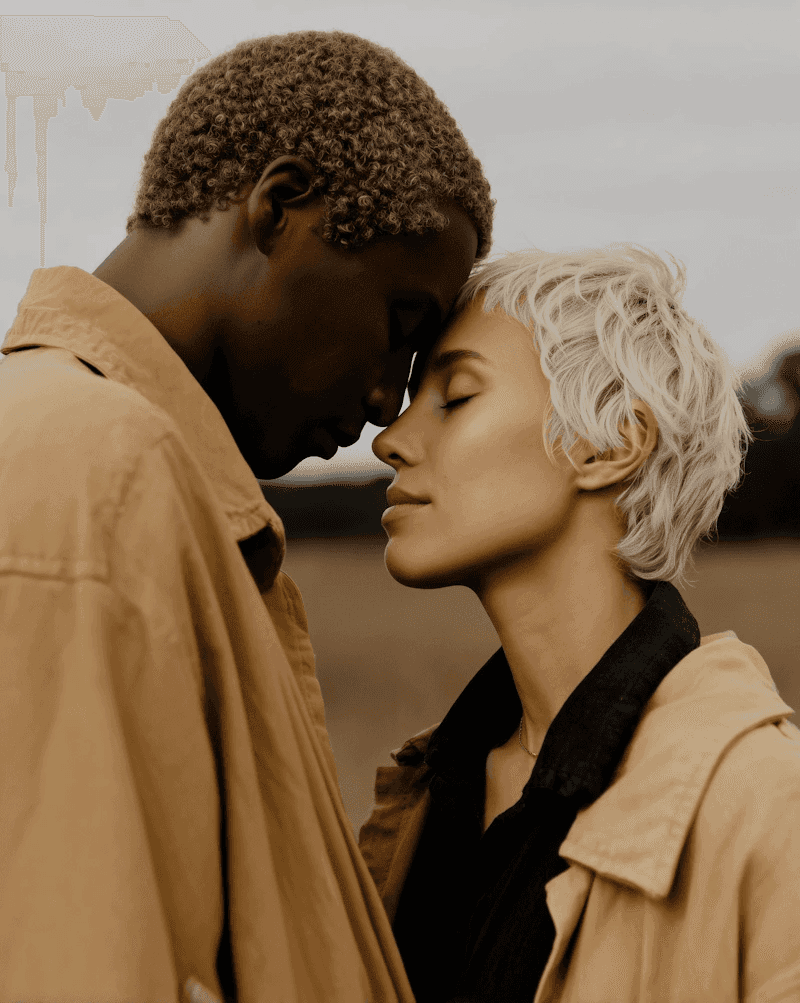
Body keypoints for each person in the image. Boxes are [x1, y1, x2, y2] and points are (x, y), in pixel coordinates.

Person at [0, 30, 493, 1003]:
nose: (390, 399)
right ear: (279, 207)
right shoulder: (90, 464)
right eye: (401, 325)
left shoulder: (111, 456)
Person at [360, 245, 800, 1002]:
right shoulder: (427, 794)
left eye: (456, 395)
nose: (390, 440)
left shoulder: (767, 805)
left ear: (611, 444)